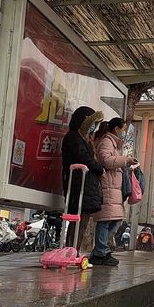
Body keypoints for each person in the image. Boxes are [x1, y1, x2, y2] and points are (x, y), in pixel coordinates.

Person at [90, 117, 138, 266]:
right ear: (116, 129)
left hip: (114, 188)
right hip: (107, 186)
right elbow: (105, 160)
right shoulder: (106, 142)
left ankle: (100, 249)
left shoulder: (114, 145)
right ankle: (100, 252)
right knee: (105, 220)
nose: (124, 133)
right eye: (123, 129)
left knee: (115, 220)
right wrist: (126, 160)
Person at [62, 106, 105, 250]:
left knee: (82, 220)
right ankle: (70, 250)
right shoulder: (73, 137)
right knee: (78, 220)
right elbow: (84, 158)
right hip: (78, 185)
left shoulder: (84, 139)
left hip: (85, 187)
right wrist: (99, 169)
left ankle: (74, 250)